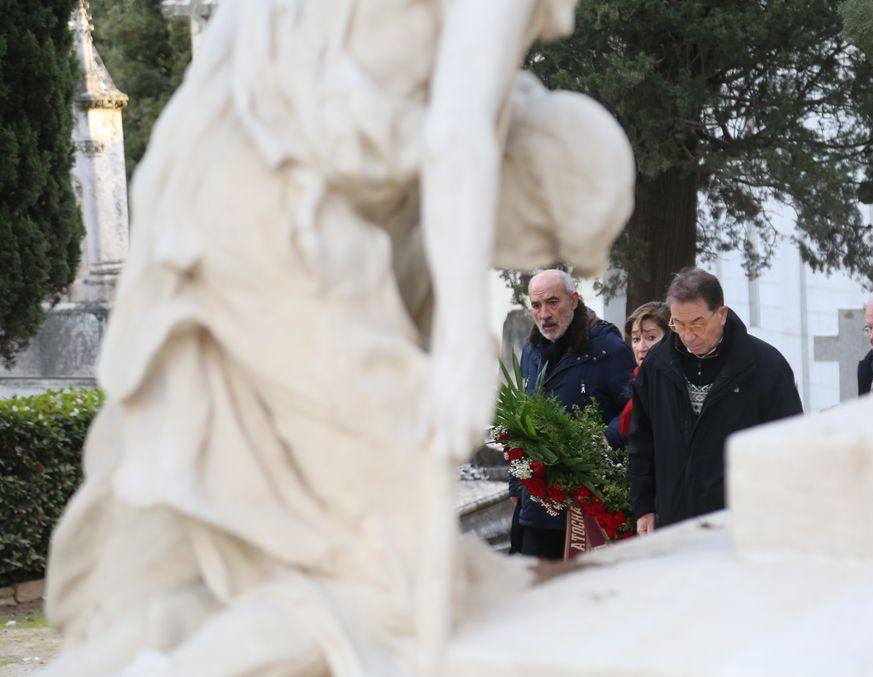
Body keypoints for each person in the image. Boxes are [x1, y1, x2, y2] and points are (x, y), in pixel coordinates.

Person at [39, 1, 636, 674]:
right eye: (547, 235)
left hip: (217, 183)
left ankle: (179, 627)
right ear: (533, 177)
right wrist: (468, 345)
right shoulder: (432, 151)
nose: (524, 250)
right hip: (275, 209)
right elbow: (457, 135)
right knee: (383, 567)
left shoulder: (401, 195)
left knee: (292, 531)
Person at [628, 268, 803, 535]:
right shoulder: (657, 365)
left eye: (697, 324)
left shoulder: (766, 367)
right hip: (675, 520)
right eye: (677, 324)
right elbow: (642, 440)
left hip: (741, 523)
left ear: (721, 314)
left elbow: (788, 448)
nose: (687, 335)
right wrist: (644, 506)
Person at [509, 269, 635, 559]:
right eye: (537, 305)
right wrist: (515, 481)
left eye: (553, 302)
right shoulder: (532, 349)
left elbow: (637, 411)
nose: (544, 314)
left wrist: (606, 438)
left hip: (589, 507)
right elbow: (522, 416)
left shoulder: (608, 349)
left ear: (575, 300)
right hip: (537, 504)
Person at [618, 301, 671, 435]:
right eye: (636, 339)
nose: (641, 348)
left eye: (651, 337)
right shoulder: (639, 381)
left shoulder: (673, 384)